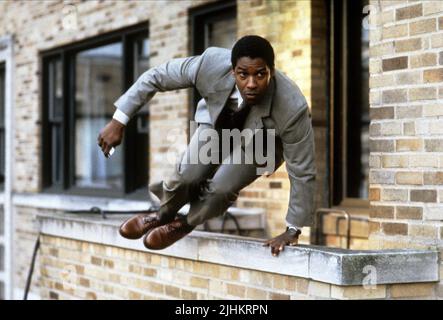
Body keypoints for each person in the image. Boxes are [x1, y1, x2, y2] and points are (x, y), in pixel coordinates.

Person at [97, 35, 316, 257]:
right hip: (218, 123)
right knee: (187, 175)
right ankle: (162, 214)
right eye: (243, 74)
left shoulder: (293, 107)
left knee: (221, 187)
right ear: (232, 71)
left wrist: (293, 229)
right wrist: (119, 120)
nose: (251, 83)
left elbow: (302, 170)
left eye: (260, 74)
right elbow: (157, 76)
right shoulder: (209, 64)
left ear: (271, 70)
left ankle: (186, 223)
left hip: (263, 141)